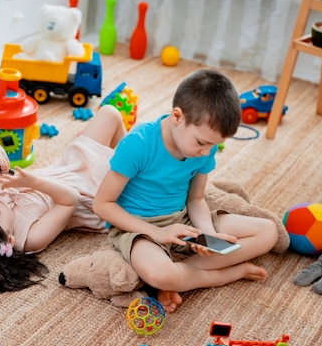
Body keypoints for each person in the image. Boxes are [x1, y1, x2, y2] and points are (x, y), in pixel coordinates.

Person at [93, 69, 279, 313]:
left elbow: (197, 198)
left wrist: (209, 235)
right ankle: (222, 275)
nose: (206, 152)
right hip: (138, 227)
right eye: (202, 143)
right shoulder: (138, 144)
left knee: (268, 231)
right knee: (160, 272)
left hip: (184, 221)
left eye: (214, 145)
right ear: (177, 117)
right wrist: (157, 233)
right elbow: (102, 204)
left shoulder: (205, 147)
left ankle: (182, 276)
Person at [0, 105, 126, 293]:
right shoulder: (31, 238)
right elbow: (70, 199)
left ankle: (122, 151)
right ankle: (128, 160)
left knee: (109, 113)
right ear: (10, 240)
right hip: (93, 191)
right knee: (139, 147)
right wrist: (32, 181)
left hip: (66, 169)